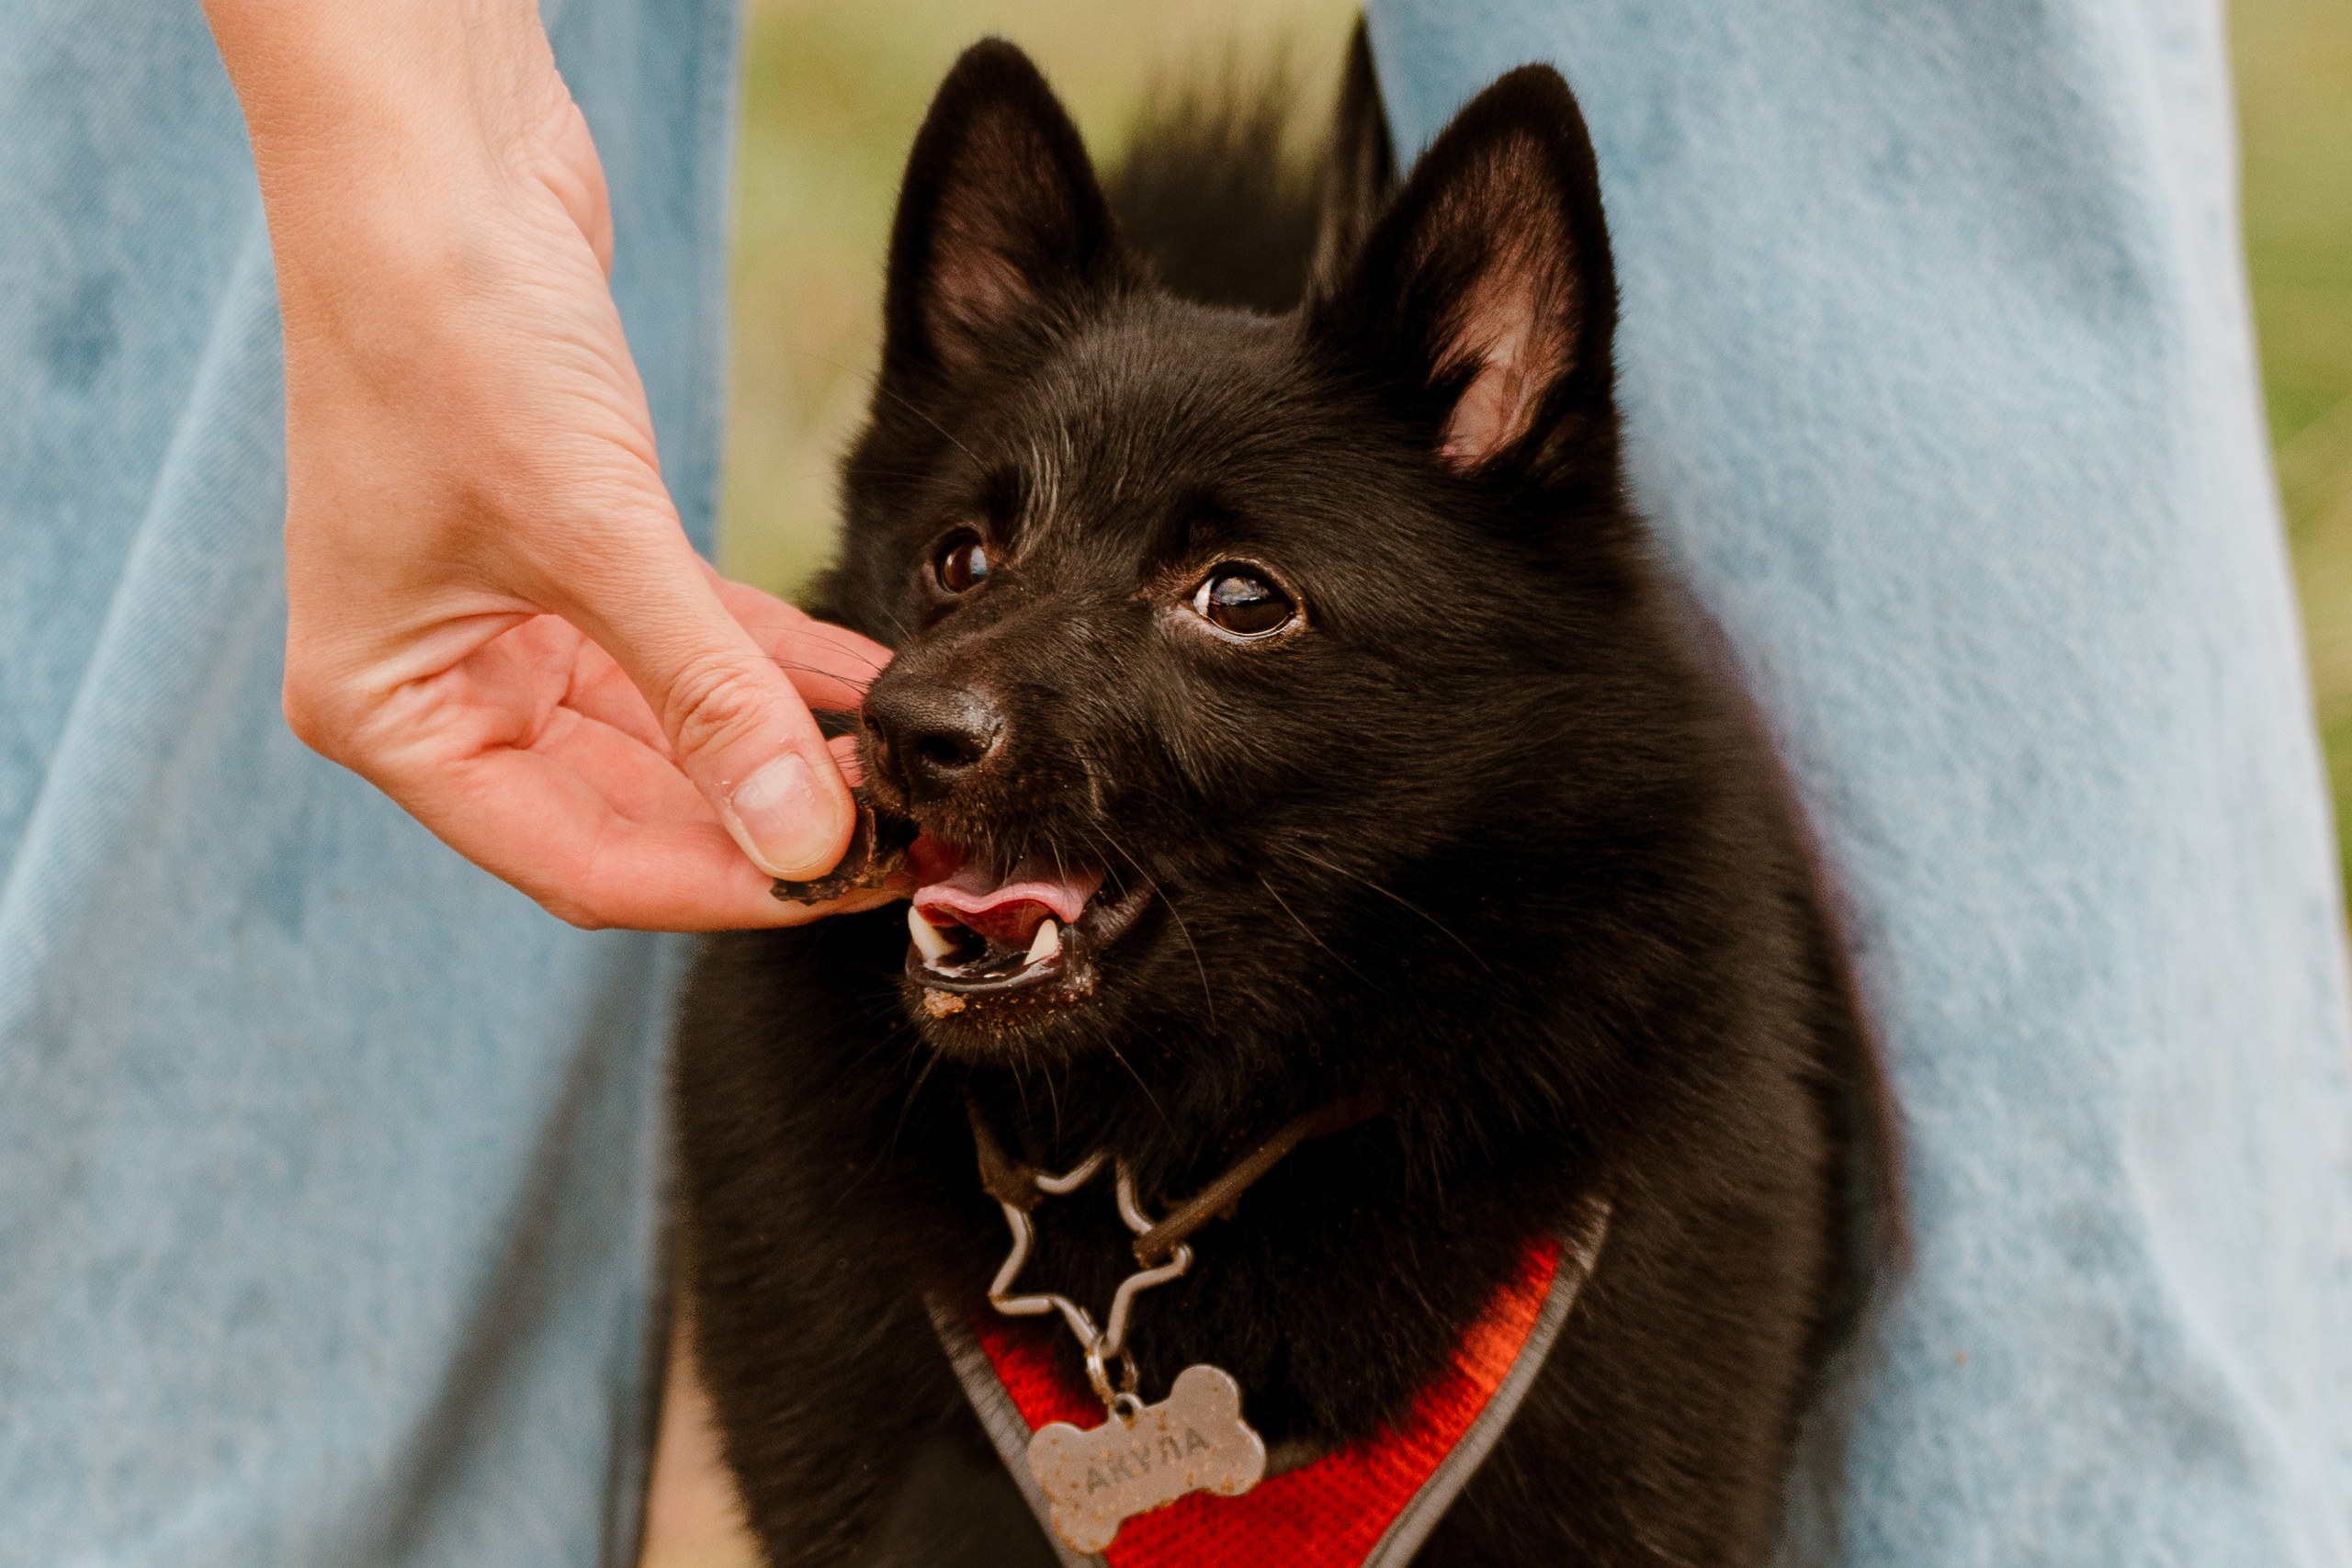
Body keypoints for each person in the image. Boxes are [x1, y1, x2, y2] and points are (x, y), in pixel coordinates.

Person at [1, 0, 2345, 1562]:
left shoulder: (1624, 987)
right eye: (962, 558)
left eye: (1227, 595)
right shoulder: (822, 1066)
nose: (954, 680)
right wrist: (404, 200)